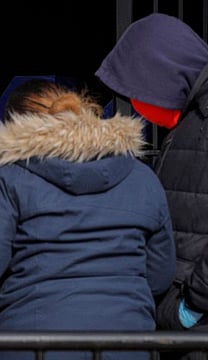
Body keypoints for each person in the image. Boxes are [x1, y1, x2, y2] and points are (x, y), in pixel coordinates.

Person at [0, 78, 176, 360]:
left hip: (32, 343)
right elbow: (159, 276)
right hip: (125, 343)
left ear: (16, 129)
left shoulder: (13, 177)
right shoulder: (142, 178)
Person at [95, 13, 208, 359]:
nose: (139, 108)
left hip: (194, 318)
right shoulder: (193, 118)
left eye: (139, 90)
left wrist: (192, 306)